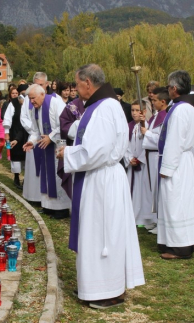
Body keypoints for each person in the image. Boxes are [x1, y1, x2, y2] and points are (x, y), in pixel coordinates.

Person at [56, 63, 145, 308]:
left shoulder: (104, 108)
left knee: (101, 235)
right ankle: (107, 287)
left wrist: (68, 153)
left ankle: (103, 291)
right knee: (105, 234)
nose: (75, 89)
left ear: (87, 83)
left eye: (76, 84)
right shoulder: (104, 105)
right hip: (102, 178)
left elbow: (96, 151)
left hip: (101, 180)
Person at [157, 70, 194, 260]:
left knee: (176, 203)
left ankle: (178, 247)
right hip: (184, 160)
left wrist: (167, 168)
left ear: (175, 88)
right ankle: (181, 241)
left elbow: (174, 141)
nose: (168, 90)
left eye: (169, 87)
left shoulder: (179, 111)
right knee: (183, 203)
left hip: (177, 162)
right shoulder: (189, 108)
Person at [22, 84, 71, 219]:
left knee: (56, 175)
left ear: (42, 94)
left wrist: (50, 137)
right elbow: (35, 130)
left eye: (33, 98)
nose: (31, 102)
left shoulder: (56, 103)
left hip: (58, 145)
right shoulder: (35, 109)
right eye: (30, 99)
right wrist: (32, 141)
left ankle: (61, 208)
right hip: (44, 147)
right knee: (46, 176)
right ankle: (49, 206)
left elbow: (64, 124)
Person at [140, 87, 169, 233]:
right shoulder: (155, 116)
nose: (153, 102)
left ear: (163, 102)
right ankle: (152, 218)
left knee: (157, 188)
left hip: (157, 155)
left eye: (155, 100)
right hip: (149, 156)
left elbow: (162, 139)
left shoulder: (165, 117)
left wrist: (147, 134)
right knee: (150, 188)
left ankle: (160, 222)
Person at [20, 72, 51, 205]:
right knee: (34, 170)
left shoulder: (52, 100)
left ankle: (47, 198)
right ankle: (33, 196)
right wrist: (34, 132)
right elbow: (24, 117)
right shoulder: (29, 98)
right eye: (36, 84)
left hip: (48, 139)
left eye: (41, 85)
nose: (39, 87)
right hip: (34, 137)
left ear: (46, 85)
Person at [125, 101, 153, 227]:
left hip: (143, 165)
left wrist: (140, 159)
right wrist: (129, 158)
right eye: (132, 110)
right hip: (131, 163)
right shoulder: (128, 126)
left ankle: (144, 218)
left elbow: (148, 144)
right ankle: (132, 216)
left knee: (143, 191)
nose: (134, 113)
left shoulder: (147, 126)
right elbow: (124, 146)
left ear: (144, 112)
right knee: (132, 190)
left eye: (137, 110)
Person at [58, 90, 86, 199]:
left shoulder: (100, 105)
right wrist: (81, 124)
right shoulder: (72, 106)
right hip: (75, 148)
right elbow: (64, 125)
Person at [3, 84, 29, 189]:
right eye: (21, 92)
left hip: (27, 133)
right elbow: (7, 118)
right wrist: (6, 132)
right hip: (15, 132)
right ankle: (16, 177)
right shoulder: (13, 103)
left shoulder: (30, 103)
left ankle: (27, 179)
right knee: (16, 156)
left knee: (27, 156)